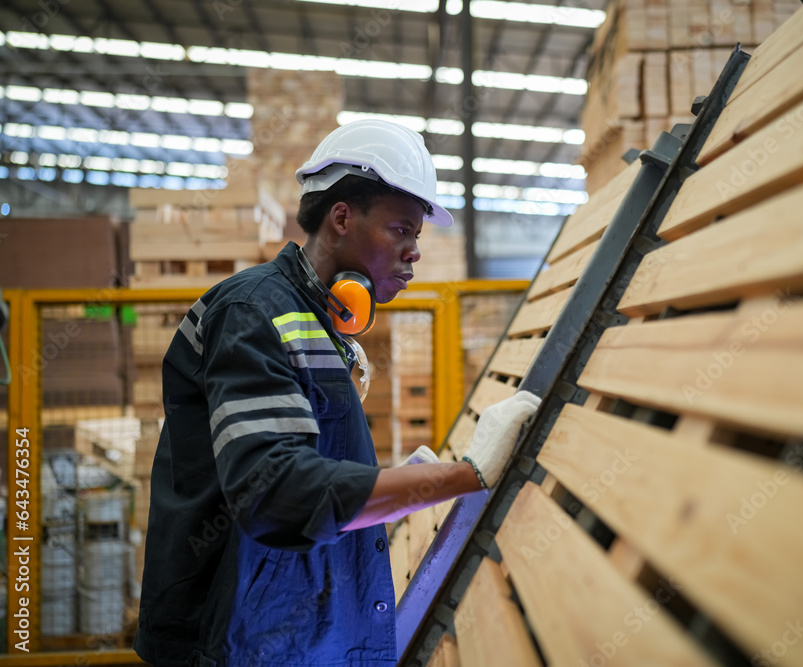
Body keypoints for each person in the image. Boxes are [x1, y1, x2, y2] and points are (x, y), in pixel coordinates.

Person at [134, 119, 541, 667]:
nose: (413, 252)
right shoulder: (254, 312)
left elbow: (306, 462)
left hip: (294, 635)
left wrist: (389, 486)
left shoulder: (314, 320)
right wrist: (462, 477)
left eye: (416, 237)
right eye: (402, 230)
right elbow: (271, 492)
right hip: (243, 643)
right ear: (343, 217)